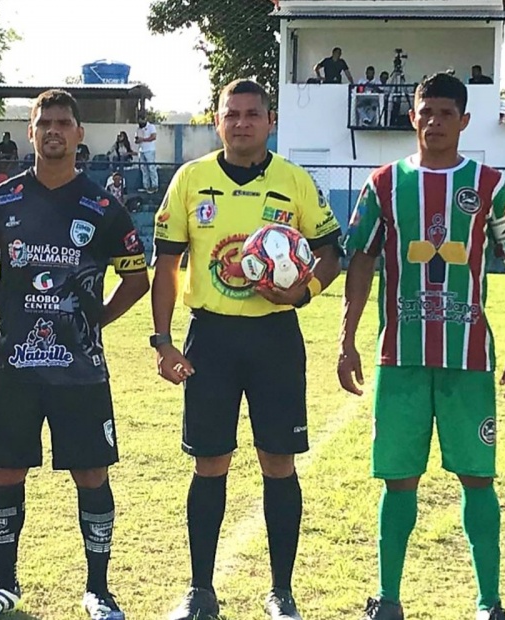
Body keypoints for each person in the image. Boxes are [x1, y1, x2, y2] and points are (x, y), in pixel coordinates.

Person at [338, 73, 505, 620]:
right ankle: (389, 598)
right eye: (427, 111)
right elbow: (361, 261)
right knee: (399, 478)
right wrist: (347, 338)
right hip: (399, 354)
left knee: (478, 476)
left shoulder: (490, 185)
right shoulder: (382, 184)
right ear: (413, 117)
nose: (435, 121)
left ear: (464, 121)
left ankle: (488, 601)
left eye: (447, 113)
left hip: (467, 356)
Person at [152, 78, 343, 620]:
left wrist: (304, 290)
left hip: (275, 336)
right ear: (218, 121)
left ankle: (281, 592)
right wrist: (163, 340)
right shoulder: (191, 180)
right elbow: (165, 266)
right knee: (209, 462)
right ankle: (200, 589)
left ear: (270, 119)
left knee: (277, 462)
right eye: (231, 114)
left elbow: (331, 252)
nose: (241, 123)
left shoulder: (294, 181)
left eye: (251, 114)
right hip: (210, 336)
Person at [0, 89, 150, 620]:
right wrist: (12, 307)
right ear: (30, 131)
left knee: (92, 473)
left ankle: (98, 589)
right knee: (5, 471)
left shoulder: (104, 206)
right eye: (44, 122)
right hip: (15, 366)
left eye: (64, 123)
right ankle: (3, 584)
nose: (54, 131)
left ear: (78, 134)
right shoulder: (0, 201)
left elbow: (137, 279)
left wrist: (95, 321)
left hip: (81, 371)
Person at [134, 112, 159, 192]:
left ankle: (155, 186)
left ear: (145, 120)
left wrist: (143, 139)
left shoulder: (151, 127)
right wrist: (138, 140)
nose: (140, 122)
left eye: (141, 120)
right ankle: (146, 186)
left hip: (149, 150)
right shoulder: (138, 129)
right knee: (143, 169)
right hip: (141, 150)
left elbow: (153, 137)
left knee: (151, 168)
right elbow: (136, 140)